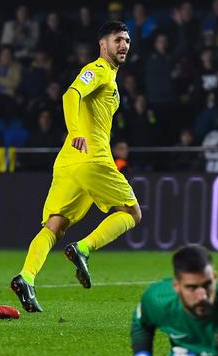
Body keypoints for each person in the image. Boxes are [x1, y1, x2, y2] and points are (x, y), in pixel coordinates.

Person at [10, 22, 142, 312]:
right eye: (118, 39)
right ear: (102, 44)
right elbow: (70, 95)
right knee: (132, 212)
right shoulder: (98, 70)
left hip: (69, 161)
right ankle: (83, 248)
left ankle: (27, 277)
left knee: (54, 226)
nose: (124, 45)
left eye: (128, 41)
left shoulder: (112, 79)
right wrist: (76, 131)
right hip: (91, 158)